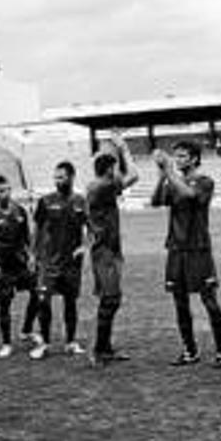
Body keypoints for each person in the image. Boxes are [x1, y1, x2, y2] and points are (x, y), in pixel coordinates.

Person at [151, 141, 221, 367]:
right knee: (180, 302)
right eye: (176, 156)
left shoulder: (205, 181)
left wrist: (169, 172)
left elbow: (191, 195)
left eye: (183, 156)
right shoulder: (173, 181)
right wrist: (161, 176)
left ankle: (220, 350)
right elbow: (155, 201)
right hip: (176, 249)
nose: (178, 160)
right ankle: (190, 350)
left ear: (194, 158)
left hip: (198, 250)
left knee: (209, 301)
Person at [28, 161, 90, 360]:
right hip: (48, 262)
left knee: (70, 302)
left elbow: (93, 228)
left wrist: (84, 246)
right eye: (55, 177)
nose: (57, 181)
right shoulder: (45, 201)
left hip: (71, 263)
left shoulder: (81, 201)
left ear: (72, 177)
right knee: (43, 302)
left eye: (61, 177)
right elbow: (37, 229)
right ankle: (45, 344)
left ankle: (71, 342)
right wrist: (32, 254)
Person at [87, 134, 139, 366]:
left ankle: (105, 348)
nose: (116, 171)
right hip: (105, 251)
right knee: (111, 299)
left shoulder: (98, 186)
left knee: (111, 299)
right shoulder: (103, 186)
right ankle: (99, 350)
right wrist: (123, 148)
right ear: (108, 169)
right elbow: (134, 176)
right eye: (114, 167)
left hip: (106, 249)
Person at [0, 175, 39, 358]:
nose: (5, 194)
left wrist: (30, 256)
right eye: (1, 191)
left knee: (38, 292)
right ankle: (6, 343)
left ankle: (27, 330)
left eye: (8, 190)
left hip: (20, 264)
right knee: (4, 304)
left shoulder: (20, 211)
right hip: (2, 268)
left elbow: (26, 237)